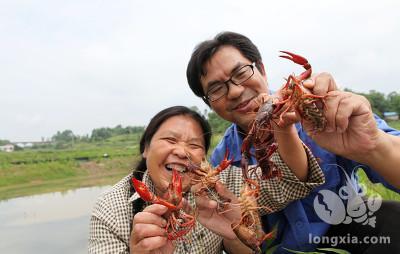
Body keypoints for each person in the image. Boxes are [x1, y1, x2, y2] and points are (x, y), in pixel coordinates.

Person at [186, 31, 400, 253]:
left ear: (261, 69)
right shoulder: (223, 159)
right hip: (280, 248)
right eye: (216, 89)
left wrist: (374, 145)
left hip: (349, 230)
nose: (235, 91)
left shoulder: (320, 109)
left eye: (241, 72)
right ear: (209, 103)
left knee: (392, 217)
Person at [88, 106, 325, 254]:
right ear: (146, 149)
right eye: (170, 140)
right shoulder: (112, 207)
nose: (182, 151)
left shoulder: (220, 185)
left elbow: (292, 181)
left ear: (203, 157)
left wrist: (235, 234)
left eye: (194, 145)